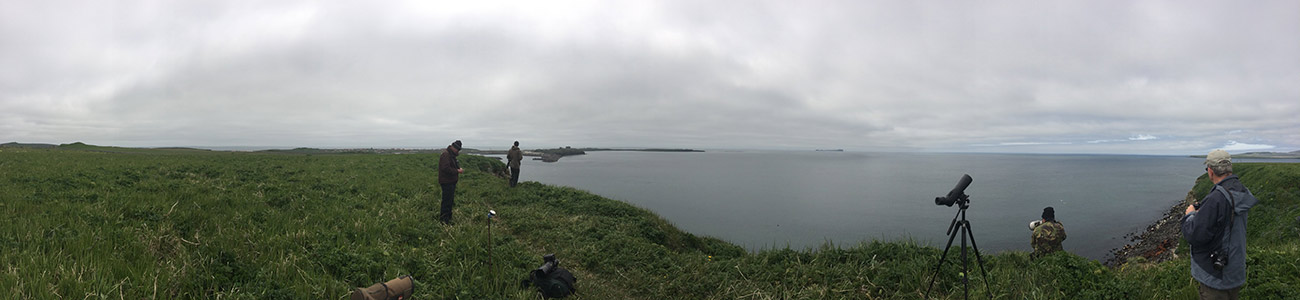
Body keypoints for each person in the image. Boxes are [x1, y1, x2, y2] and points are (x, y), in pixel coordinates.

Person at [1182, 149, 1257, 299]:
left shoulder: (1216, 198)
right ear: (1229, 168)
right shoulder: (1242, 191)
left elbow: (1194, 234)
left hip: (1215, 275)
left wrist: (1190, 215)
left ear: (1210, 171)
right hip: (1235, 269)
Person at [438, 140, 464, 225]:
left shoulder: (451, 155)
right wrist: (457, 171)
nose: (457, 151)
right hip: (446, 181)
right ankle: (444, 220)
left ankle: (448, 217)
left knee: (450, 201)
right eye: (457, 149)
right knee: (446, 201)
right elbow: (445, 168)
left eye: (458, 150)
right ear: (452, 147)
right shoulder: (446, 155)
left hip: (451, 181)